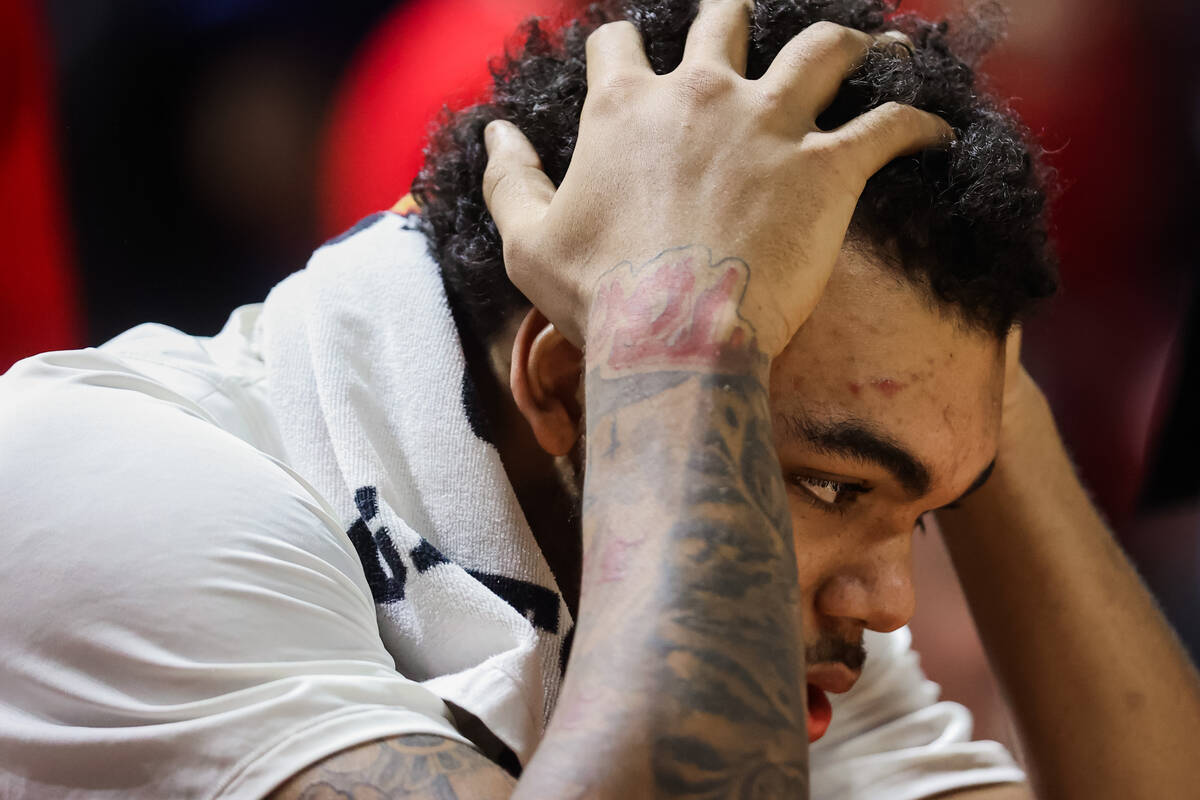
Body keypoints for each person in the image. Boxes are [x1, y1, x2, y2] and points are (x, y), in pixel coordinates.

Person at [1, 1, 1197, 798]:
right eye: (838, 484)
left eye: (922, 509)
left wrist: (981, 393)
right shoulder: (98, 477)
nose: (887, 603)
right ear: (575, 380)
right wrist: (680, 337)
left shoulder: (755, 570)